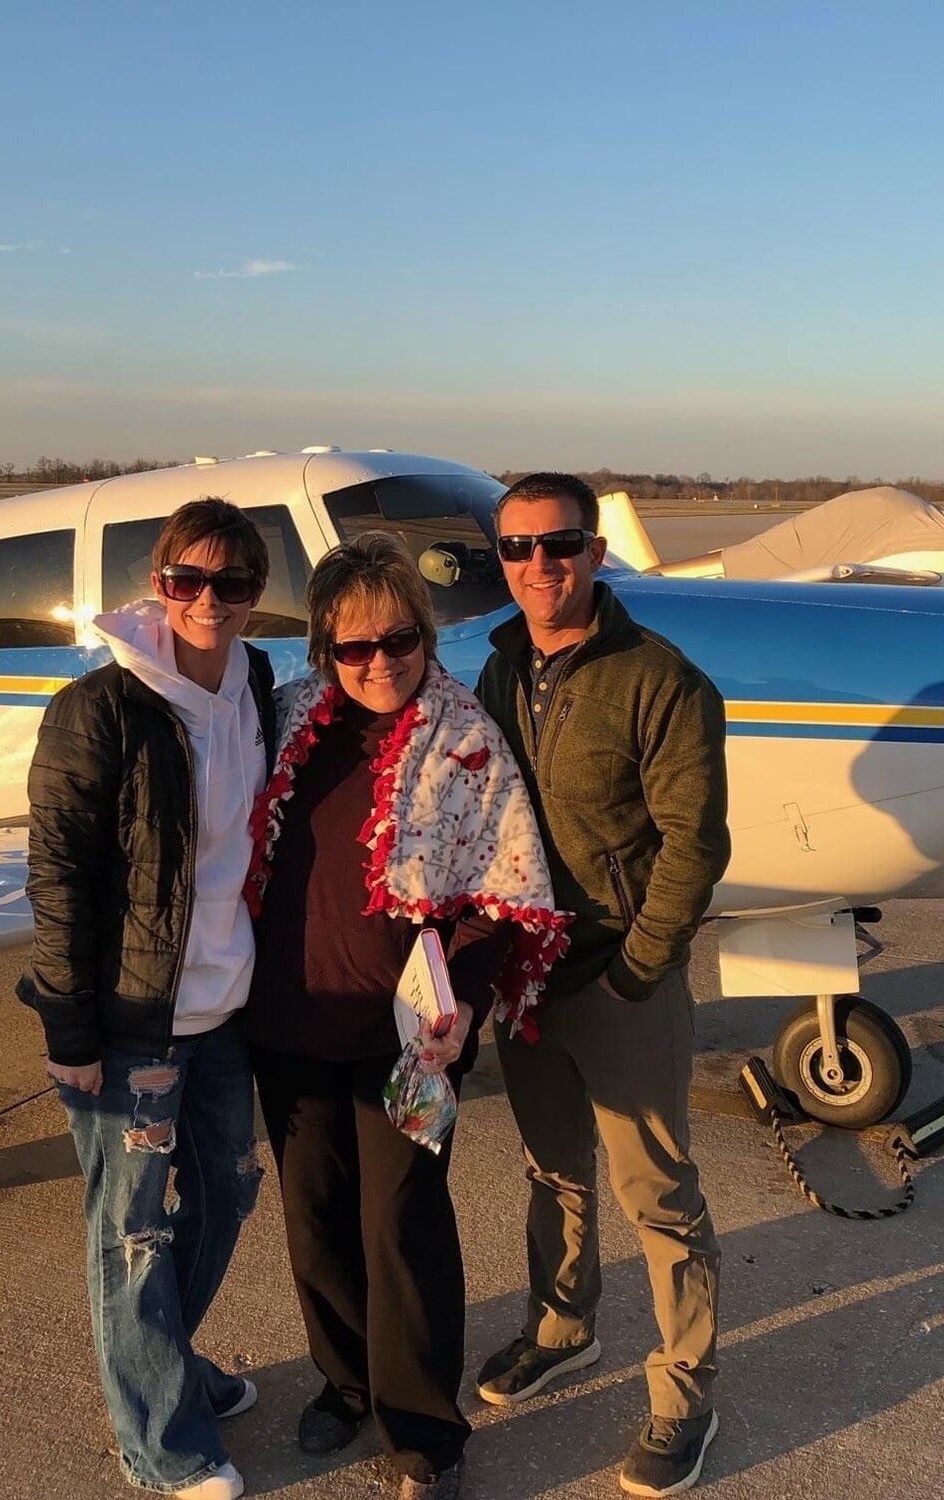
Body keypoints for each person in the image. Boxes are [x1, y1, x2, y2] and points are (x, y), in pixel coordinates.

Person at [243, 533, 568, 1500]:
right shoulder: (289, 720)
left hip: (412, 1038)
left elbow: (504, 891)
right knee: (315, 1219)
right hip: (290, 1022)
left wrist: (463, 1004)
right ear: (322, 652)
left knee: (402, 1223)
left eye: (398, 642)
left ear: (425, 638)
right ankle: (345, 1384)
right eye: (353, 648)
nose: (378, 663)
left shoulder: (465, 737)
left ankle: (424, 1428)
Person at [473, 472, 733, 1497]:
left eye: (560, 543)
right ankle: (562, 1325)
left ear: (593, 551)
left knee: (658, 1197)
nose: (539, 565)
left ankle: (682, 1395)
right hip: (524, 978)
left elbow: (691, 845)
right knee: (552, 1172)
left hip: (620, 978)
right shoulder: (499, 671)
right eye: (517, 547)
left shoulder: (661, 680)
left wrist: (638, 966)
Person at [18, 498, 277, 1500]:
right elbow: (59, 879)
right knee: (131, 1230)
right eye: (187, 580)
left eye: (232, 583)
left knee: (228, 1194)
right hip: (134, 1022)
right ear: (157, 582)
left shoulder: (255, 683)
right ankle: (157, 1442)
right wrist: (70, 1031)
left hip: (226, 1006)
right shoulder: (101, 707)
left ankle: (161, 1368)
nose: (208, 600)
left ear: (255, 596)